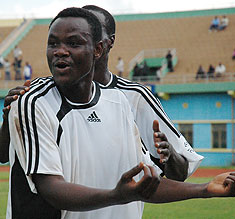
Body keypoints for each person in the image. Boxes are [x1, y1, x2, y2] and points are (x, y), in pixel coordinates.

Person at [6, 7, 235, 219]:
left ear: (100, 48)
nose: (60, 51)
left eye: (73, 43)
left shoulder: (121, 102)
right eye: (53, 43)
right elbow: (50, 189)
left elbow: (144, 184)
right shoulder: (32, 101)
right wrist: (117, 195)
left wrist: (206, 188)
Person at [1, 5, 204, 182]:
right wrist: (10, 119)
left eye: (92, 31)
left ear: (106, 43)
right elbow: (4, 156)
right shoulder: (39, 95)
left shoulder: (131, 97)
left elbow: (180, 171)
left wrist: (169, 157)